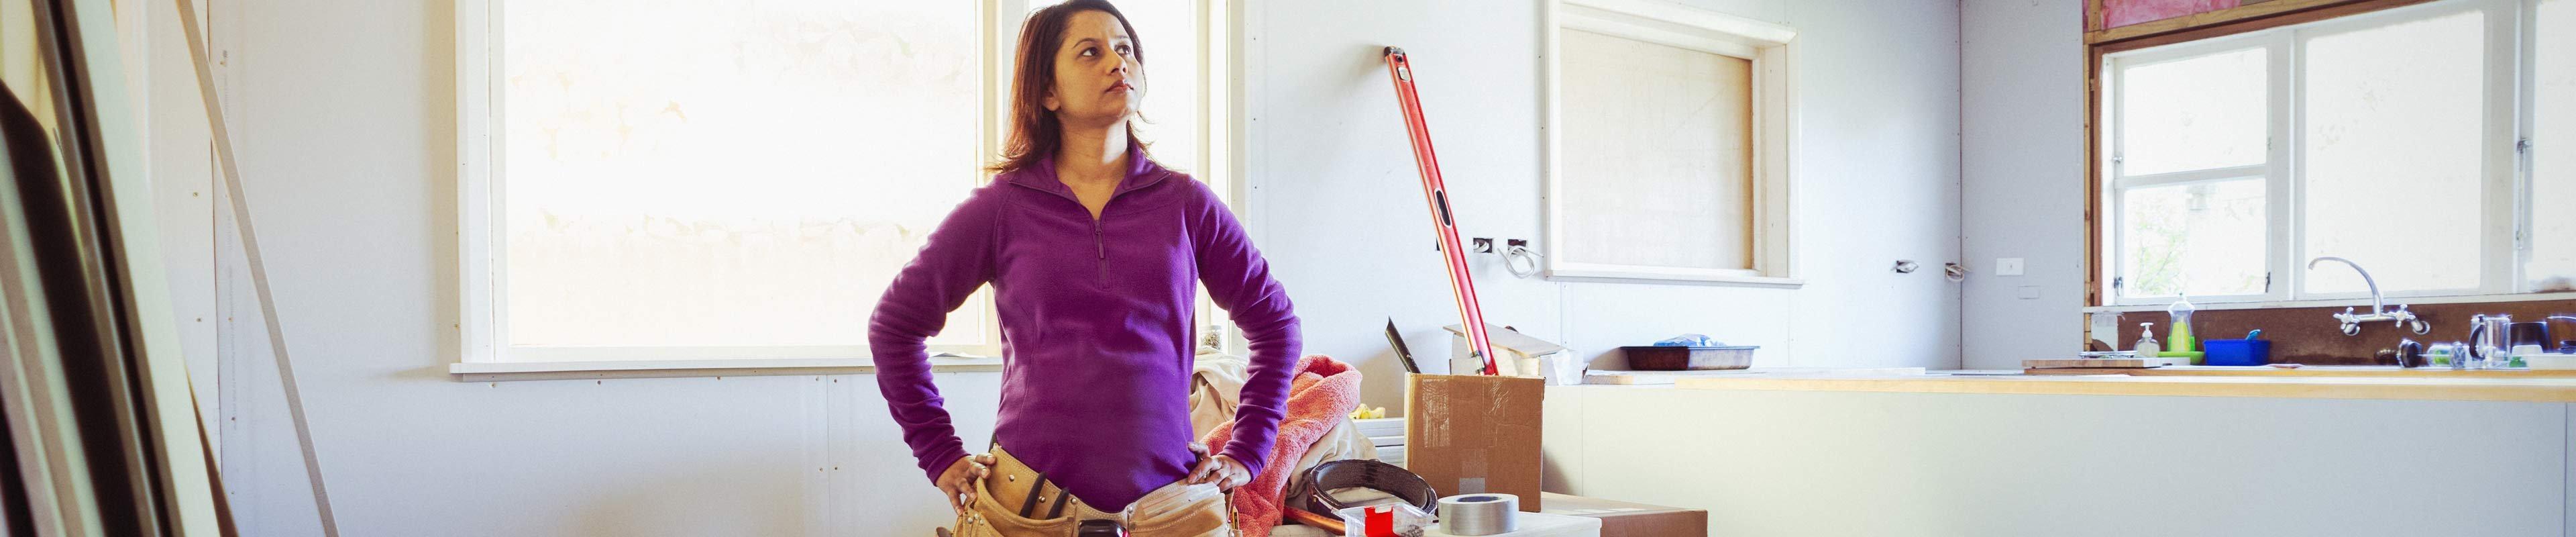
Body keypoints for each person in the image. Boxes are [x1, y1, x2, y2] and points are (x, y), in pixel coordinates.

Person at [867, 1, 1301, 534]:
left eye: (1125, 49)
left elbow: (1276, 324)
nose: (1117, 63)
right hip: (1024, 512)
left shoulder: (1187, 204)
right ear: (1047, 91)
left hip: (1170, 509)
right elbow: (894, 325)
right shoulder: (1000, 207)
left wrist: (1249, 450)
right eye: (1090, 52)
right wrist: (939, 454)